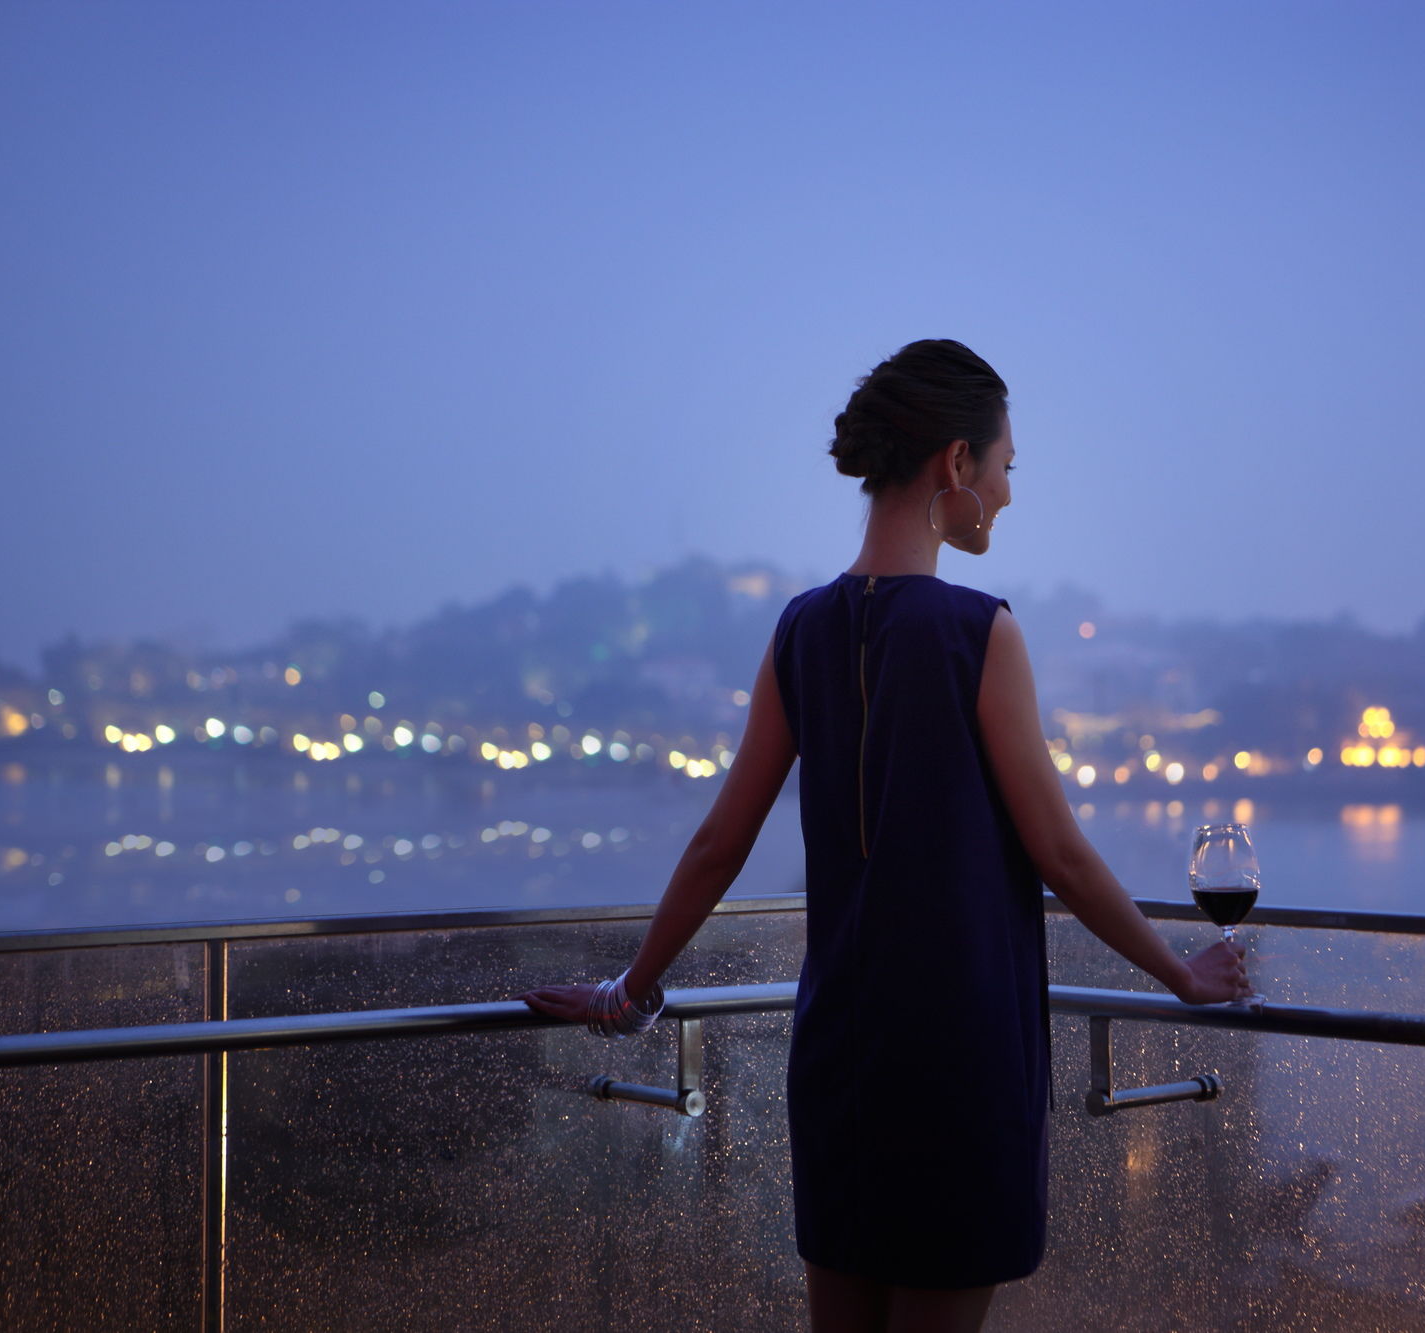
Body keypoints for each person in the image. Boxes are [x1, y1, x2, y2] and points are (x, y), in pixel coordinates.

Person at [522, 339, 1250, 1333]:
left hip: (839, 1058)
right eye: (1005, 466)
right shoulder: (977, 631)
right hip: (959, 1057)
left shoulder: (800, 630)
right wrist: (1180, 974)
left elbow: (718, 842)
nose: (1008, 492)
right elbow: (1061, 853)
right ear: (956, 463)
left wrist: (629, 991)